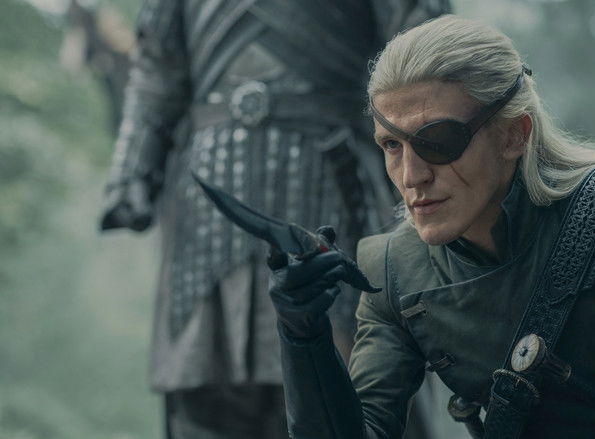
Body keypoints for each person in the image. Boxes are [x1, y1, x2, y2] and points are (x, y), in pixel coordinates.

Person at [266, 15, 595, 439]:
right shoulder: (393, 269)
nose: (410, 176)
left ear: (513, 135)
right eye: (391, 145)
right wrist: (303, 335)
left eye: (437, 141)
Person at [98, 1, 449, 437]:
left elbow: (423, 48)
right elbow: (158, 67)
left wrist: (438, 159)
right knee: (206, 395)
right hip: (208, 194)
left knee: (356, 387)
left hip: (334, 180)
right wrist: (132, 171)